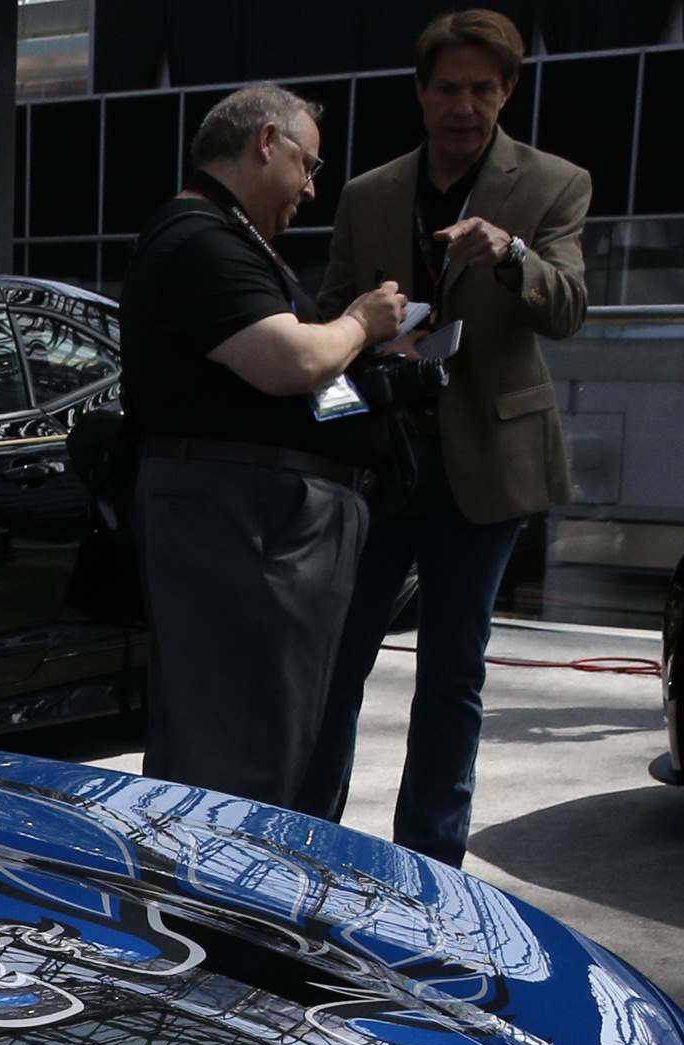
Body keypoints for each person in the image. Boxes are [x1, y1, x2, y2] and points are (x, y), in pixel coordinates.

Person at [300, 10, 591, 870]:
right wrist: (365, 329)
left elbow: (567, 307)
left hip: (488, 459)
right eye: (449, 89)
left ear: (508, 92)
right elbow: (331, 308)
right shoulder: (368, 192)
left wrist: (508, 253)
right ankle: (311, 845)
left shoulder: (553, 184)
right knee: (338, 661)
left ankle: (431, 864)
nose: (465, 107)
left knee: (451, 675)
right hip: (381, 455)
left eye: (483, 89)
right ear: (422, 94)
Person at [121, 87, 407, 812]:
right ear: (266, 142)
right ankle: (225, 919)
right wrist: (362, 323)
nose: (311, 189)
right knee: (238, 758)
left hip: (264, 520)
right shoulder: (200, 239)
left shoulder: (227, 239)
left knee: (271, 747)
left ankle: (248, 908)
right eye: (307, 166)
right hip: (246, 525)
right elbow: (293, 362)